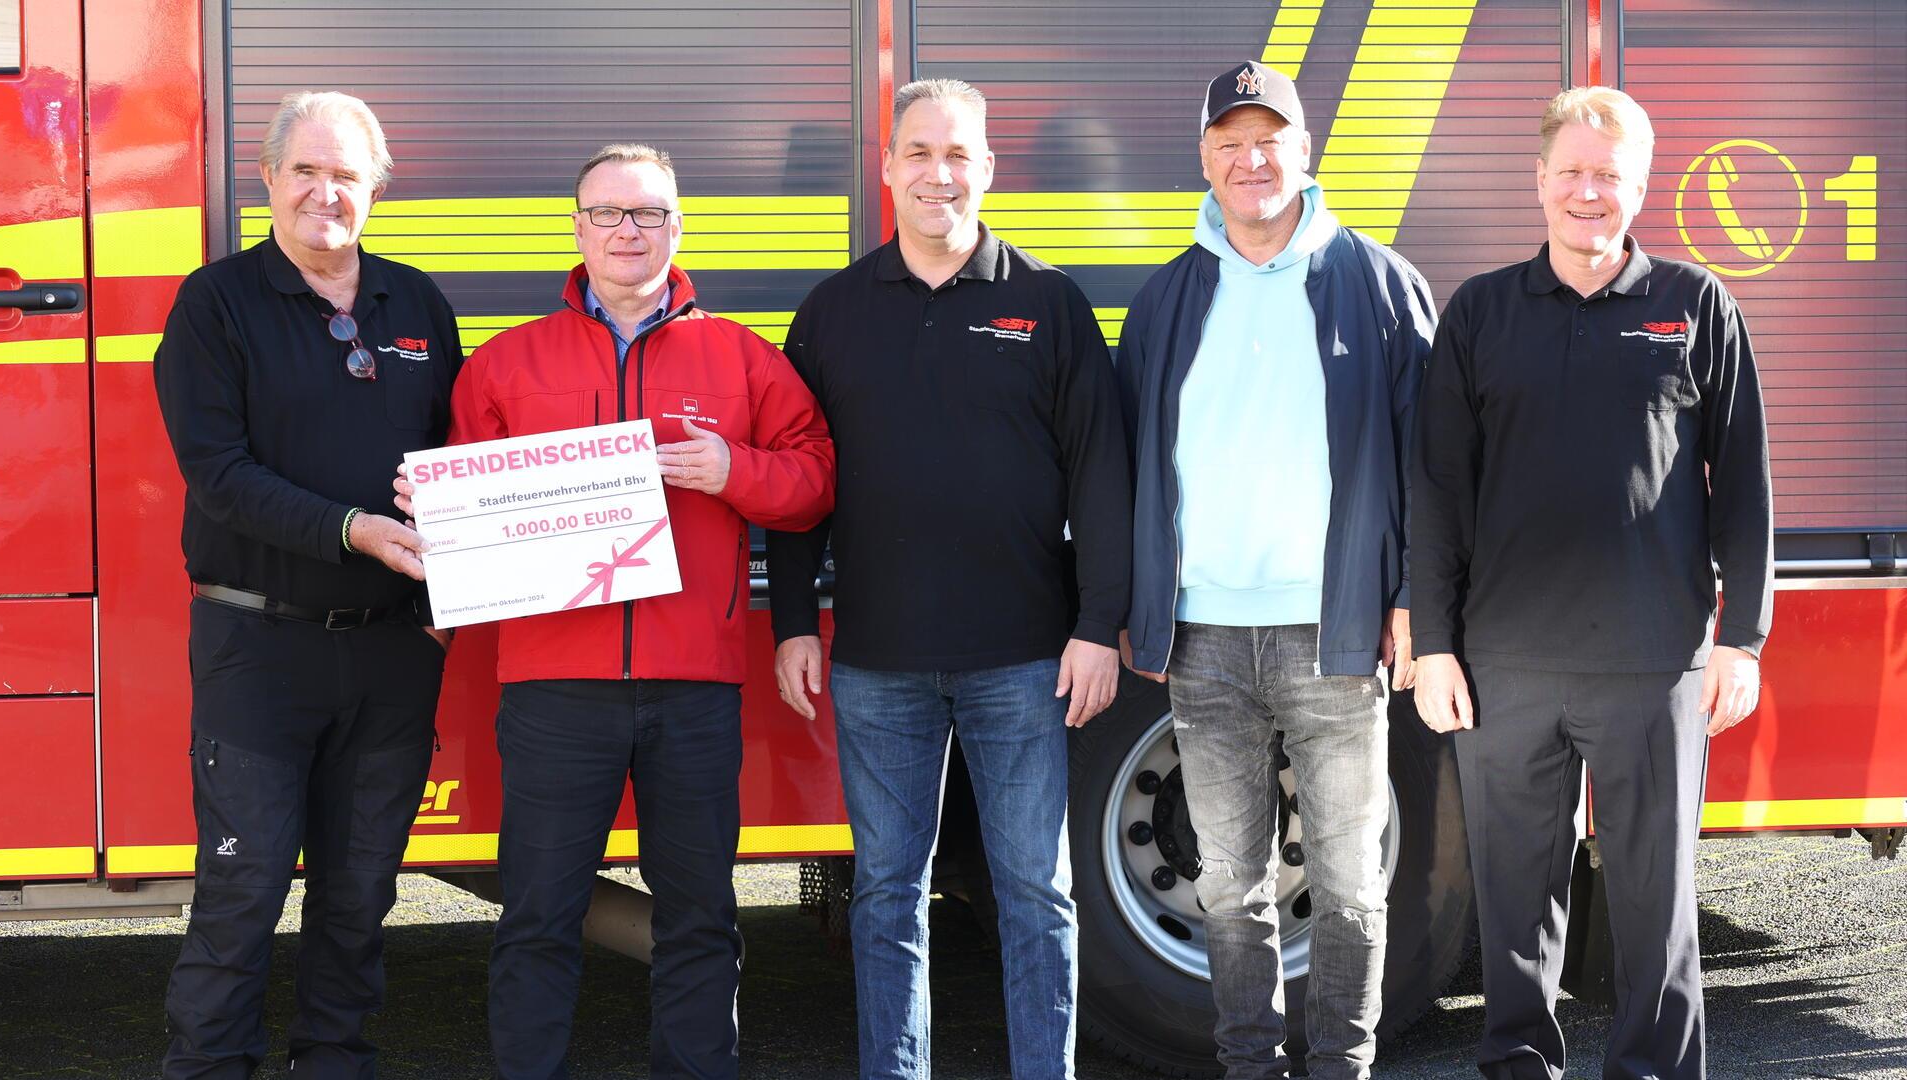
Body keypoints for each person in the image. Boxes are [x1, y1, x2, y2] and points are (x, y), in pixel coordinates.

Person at [422, 143, 835, 1080]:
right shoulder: (506, 362)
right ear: (577, 229)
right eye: (607, 213)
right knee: (537, 911)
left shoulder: (741, 357)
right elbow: (457, 506)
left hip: (694, 685)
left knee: (697, 913)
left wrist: (739, 472)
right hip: (551, 687)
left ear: (677, 228)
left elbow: (814, 480)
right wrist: (442, 518)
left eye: (647, 214)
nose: (626, 230)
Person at [766, 79, 1132, 1080]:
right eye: (918, 152)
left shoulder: (1048, 305)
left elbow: (1103, 473)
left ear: (989, 168)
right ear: (887, 168)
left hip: (1024, 660)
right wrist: (792, 622)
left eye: (958, 153)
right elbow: (801, 482)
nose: (939, 173)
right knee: (886, 894)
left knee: (1035, 892)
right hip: (878, 664)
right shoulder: (833, 313)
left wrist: (1099, 625)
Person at [1410, 86, 1772, 1080]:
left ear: (1640, 185)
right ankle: (1519, 1064)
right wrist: (1435, 642)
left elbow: (1743, 485)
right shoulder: (1480, 314)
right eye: (1569, 173)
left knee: (1656, 912)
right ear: (1537, 182)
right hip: (1505, 668)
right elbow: (1438, 492)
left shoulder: (1696, 307)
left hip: (1652, 665)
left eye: (1606, 176)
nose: (1586, 193)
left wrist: (1742, 639)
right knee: (1514, 910)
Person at [1115, 61, 1435, 1080]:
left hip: (1334, 638)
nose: (1251, 160)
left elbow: (1432, 462)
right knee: (1230, 888)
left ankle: (1342, 1066)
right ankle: (1248, 1065)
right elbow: (1130, 465)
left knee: (1348, 885)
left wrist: (1412, 598)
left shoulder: (1380, 283)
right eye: (1229, 144)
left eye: (1270, 140)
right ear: (1204, 160)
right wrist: (1138, 609)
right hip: (1203, 640)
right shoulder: (1165, 300)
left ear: (1306, 151)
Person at [153, 90, 463, 1078]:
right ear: (268, 180)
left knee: (360, 894)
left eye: (346, 175)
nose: (325, 193)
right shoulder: (215, 304)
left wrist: (444, 593)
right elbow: (219, 473)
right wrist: (353, 530)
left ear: (376, 187)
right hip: (260, 647)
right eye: (305, 172)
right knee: (240, 897)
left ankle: (333, 1061)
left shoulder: (417, 304)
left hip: (390, 652)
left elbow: (463, 457)